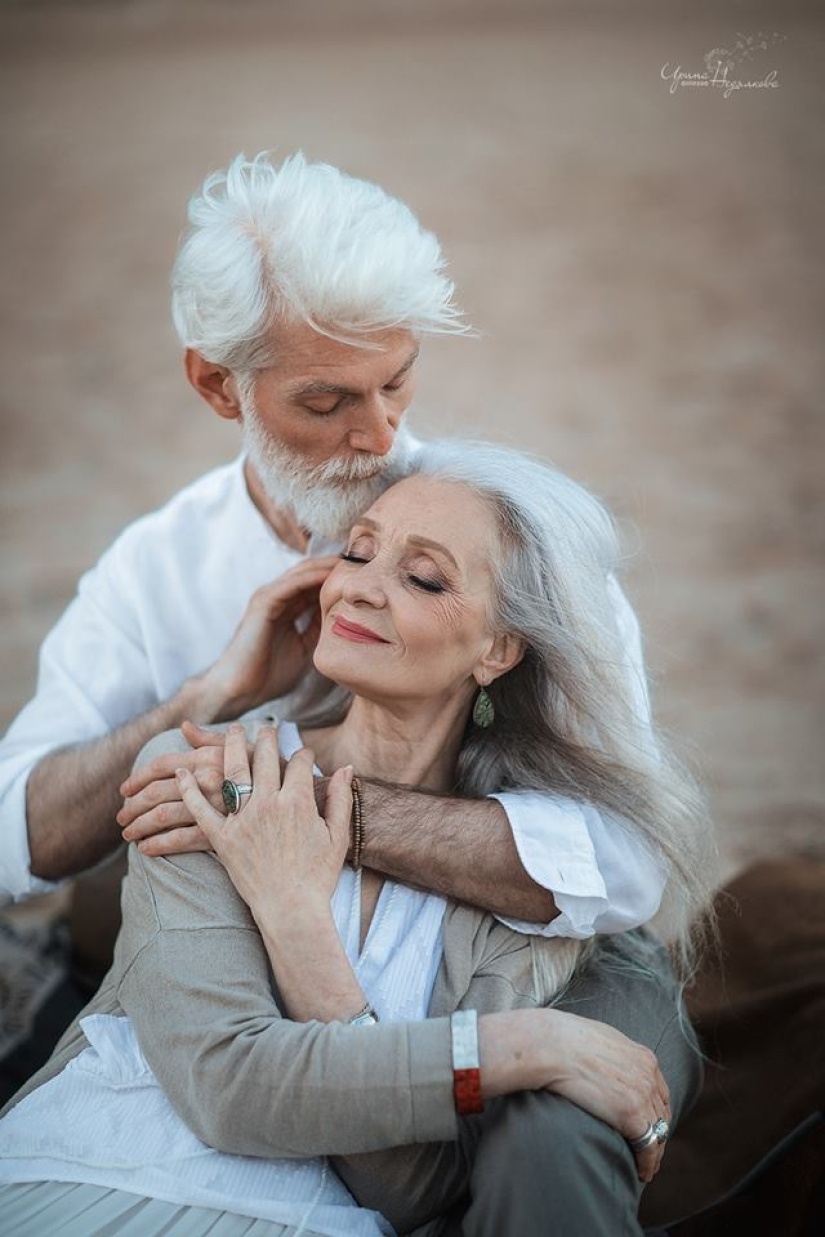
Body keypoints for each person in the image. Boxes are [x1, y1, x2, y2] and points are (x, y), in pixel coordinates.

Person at [0, 441, 713, 1236]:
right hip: (83, 1181)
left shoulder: (525, 867)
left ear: (498, 649)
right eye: (357, 550)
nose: (360, 589)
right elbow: (223, 1083)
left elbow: (406, 1188)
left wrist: (297, 921)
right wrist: (524, 1044)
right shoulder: (214, 768)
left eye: (423, 577)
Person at [1, 151, 665, 955]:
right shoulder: (154, 568)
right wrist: (207, 698)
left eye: (397, 380)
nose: (381, 435)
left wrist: (298, 807)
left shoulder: (517, 539)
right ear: (216, 386)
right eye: (326, 401)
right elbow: (16, 843)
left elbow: (626, 862)